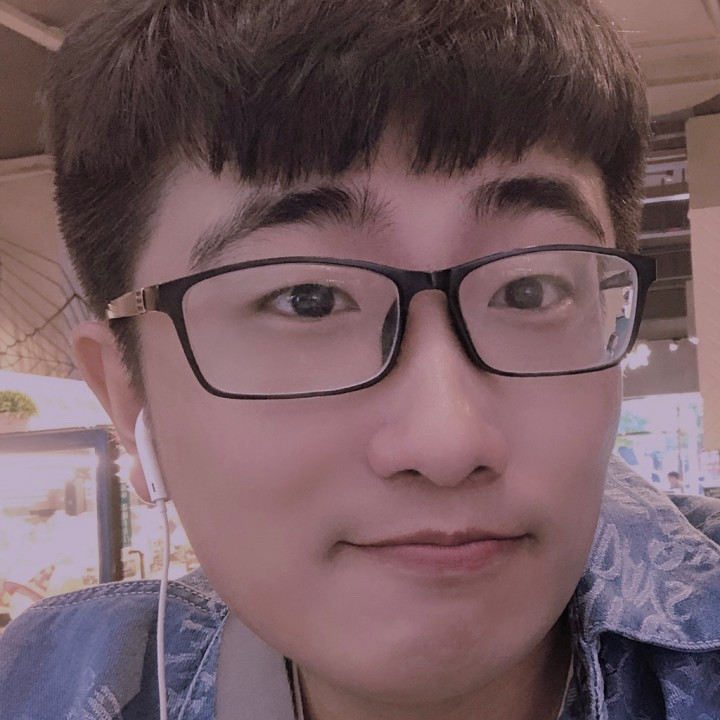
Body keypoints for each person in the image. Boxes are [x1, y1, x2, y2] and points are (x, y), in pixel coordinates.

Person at [2, 0, 720, 718]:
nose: (448, 443)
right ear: (129, 398)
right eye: (308, 300)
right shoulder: (54, 684)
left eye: (529, 291)